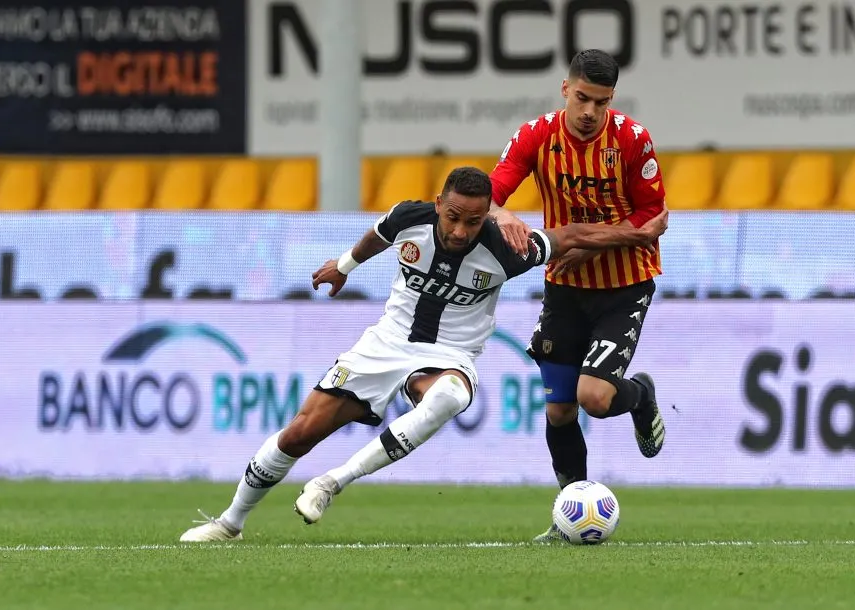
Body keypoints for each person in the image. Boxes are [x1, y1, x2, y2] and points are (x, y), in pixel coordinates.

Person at [179, 166, 668, 541]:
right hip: (385, 343)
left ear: (486, 217)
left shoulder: (506, 249)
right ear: (439, 204)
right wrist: (344, 265)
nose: (460, 231)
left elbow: (570, 237)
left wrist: (638, 233)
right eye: (453, 217)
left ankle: (333, 482)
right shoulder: (408, 218)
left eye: (474, 222)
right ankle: (229, 523)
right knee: (301, 432)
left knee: (449, 397)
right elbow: (378, 235)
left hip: (450, 353)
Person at [486, 49, 668, 542]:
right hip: (564, 288)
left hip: (624, 286)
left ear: (612, 99)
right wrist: (502, 215)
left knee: (595, 398)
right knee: (560, 409)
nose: (589, 112)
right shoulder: (535, 136)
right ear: (565, 89)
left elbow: (652, 221)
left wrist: (582, 245)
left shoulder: (632, 140)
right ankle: (570, 515)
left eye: (601, 102)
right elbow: (491, 194)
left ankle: (641, 395)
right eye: (582, 98)